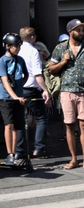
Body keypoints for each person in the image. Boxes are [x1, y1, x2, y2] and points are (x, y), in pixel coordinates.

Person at [49, 19, 84, 170]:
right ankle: (73, 159)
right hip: (67, 91)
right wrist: (63, 62)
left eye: (82, 30)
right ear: (70, 32)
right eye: (78, 30)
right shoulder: (60, 48)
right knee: (70, 125)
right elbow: (51, 69)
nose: (81, 33)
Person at [15, 27, 52, 160]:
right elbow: (37, 73)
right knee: (42, 117)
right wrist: (45, 90)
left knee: (20, 120)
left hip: (18, 89)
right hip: (31, 89)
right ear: (32, 37)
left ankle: (19, 151)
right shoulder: (33, 51)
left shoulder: (16, 49)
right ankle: (39, 148)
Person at [0, 33, 28, 165]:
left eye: (19, 46)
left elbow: (26, 75)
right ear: (7, 46)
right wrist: (15, 96)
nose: (18, 48)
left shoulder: (20, 60)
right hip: (5, 98)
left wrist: (19, 88)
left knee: (17, 126)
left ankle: (15, 153)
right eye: (16, 46)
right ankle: (9, 154)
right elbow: (5, 81)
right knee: (9, 125)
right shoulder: (2, 61)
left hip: (18, 97)